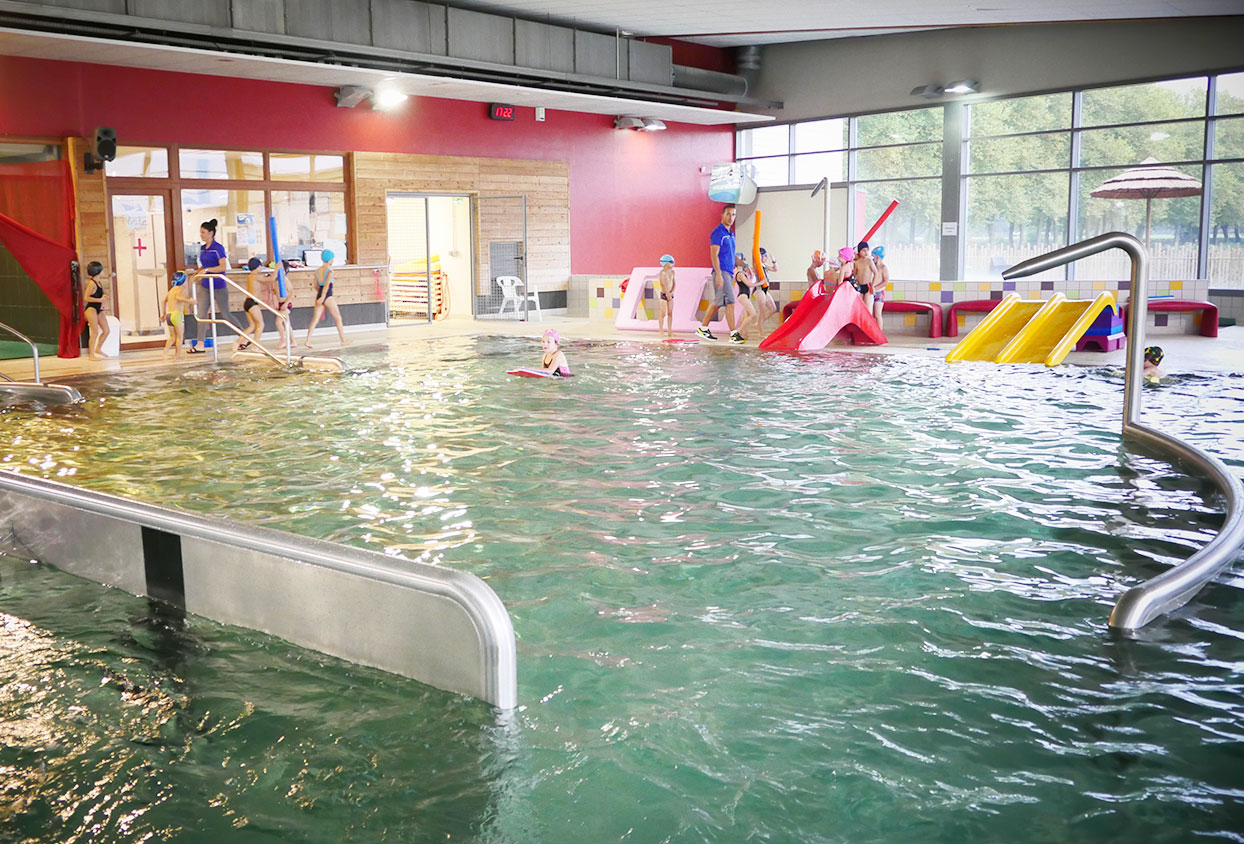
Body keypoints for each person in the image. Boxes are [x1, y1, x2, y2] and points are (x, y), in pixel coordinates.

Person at [696, 204, 745, 344]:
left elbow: (732, 255)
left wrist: (744, 265)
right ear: (722, 215)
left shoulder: (731, 234)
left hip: (728, 272)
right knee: (730, 301)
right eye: (728, 214)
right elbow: (714, 255)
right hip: (721, 271)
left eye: (733, 215)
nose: (731, 218)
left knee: (718, 302)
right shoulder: (718, 233)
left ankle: (703, 328)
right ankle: (733, 334)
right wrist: (718, 274)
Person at [188, 218, 229, 354]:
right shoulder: (202, 248)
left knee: (225, 314)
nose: (202, 236)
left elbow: (222, 267)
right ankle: (200, 344)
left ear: (211, 233)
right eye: (201, 233)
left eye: (204, 233)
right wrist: (196, 275)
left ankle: (244, 335)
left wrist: (208, 270)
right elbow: (203, 267)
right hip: (205, 285)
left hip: (218, 285)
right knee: (201, 314)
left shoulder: (218, 248)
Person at [305, 250, 349, 349]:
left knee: (315, 320)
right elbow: (326, 285)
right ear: (330, 259)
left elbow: (317, 286)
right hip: (327, 296)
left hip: (319, 295)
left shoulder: (317, 271)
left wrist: (319, 297)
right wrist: (323, 297)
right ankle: (343, 340)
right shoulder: (330, 271)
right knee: (338, 318)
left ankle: (308, 340)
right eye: (332, 258)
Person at [161, 271, 196, 358]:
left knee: (172, 337)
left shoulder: (171, 290)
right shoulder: (181, 289)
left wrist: (163, 313)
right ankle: (177, 356)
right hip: (177, 315)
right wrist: (189, 301)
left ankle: (165, 352)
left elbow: (163, 301)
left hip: (169, 315)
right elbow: (178, 298)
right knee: (180, 337)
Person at [82, 260, 110, 360]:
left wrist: (105, 297)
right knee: (94, 332)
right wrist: (99, 300)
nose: (103, 271)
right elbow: (86, 298)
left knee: (106, 330)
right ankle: (91, 354)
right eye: (102, 270)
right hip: (91, 309)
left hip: (98, 309)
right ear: (98, 271)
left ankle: (98, 348)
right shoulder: (91, 283)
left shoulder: (99, 282)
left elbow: (103, 293)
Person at [238, 257, 267, 350]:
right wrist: (277, 269)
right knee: (261, 324)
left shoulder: (250, 276)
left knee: (252, 326)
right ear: (258, 266)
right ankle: (255, 346)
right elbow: (270, 280)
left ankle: (239, 341)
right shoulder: (256, 276)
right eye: (261, 266)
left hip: (247, 302)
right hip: (253, 303)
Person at [852, 241, 878, 312]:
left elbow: (876, 273)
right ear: (859, 251)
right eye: (863, 250)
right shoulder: (857, 263)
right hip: (860, 286)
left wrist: (873, 286)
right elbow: (855, 275)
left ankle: (868, 323)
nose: (866, 252)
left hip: (867, 285)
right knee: (860, 308)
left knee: (868, 309)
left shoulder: (869, 261)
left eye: (867, 250)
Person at [655, 254, 676, 338]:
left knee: (670, 313)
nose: (673, 263)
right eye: (671, 262)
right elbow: (662, 284)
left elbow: (674, 283)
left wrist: (671, 292)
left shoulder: (673, 272)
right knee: (663, 313)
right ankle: (661, 331)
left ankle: (670, 331)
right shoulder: (662, 273)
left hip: (671, 295)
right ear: (665, 263)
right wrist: (667, 294)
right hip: (663, 295)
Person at [871, 245, 890, 324]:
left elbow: (885, 281)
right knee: (871, 315)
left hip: (879, 293)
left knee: (877, 314)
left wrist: (875, 288)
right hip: (871, 292)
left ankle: (879, 334)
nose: (872, 259)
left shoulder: (883, 268)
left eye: (873, 257)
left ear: (877, 257)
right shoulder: (873, 266)